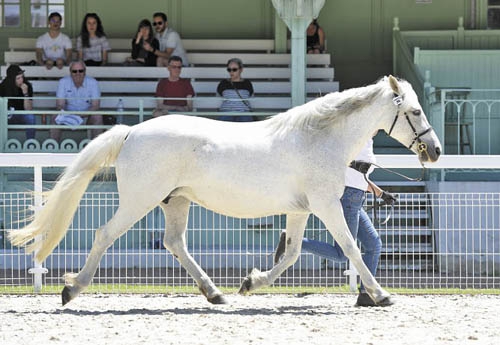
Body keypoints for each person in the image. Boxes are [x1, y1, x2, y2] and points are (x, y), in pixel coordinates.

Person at [273, 137, 397, 307]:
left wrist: (382, 194)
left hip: (356, 200)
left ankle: (366, 295)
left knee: (374, 244)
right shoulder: (354, 140)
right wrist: (351, 163)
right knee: (341, 254)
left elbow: (360, 179)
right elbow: (337, 164)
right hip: (348, 199)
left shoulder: (367, 141)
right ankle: (294, 241)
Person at [50, 61, 103, 142]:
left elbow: (95, 106)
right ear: (70, 72)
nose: (78, 73)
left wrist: (80, 115)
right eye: (74, 71)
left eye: (80, 71)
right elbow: (60, 105)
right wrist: (70, 115)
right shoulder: (63, 82)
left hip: (86, 117)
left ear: (85, 72)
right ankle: (53, 148)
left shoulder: (93, 82)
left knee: (97, 116)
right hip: (68, 116)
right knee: (55, 116)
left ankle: (96, 148)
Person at [0, 65, 36, 140]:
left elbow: (29, 109)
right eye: (18, 78)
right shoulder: (3, 86)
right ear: (11, 79)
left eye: (22, 77)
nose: (21, 80)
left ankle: (30, 144)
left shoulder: (27, 86)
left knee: (30, 117)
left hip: (19, 115)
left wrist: (25, 93)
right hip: (4, 116)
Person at [216, 58, 254, 122]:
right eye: (229, 69)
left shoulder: (247, 83)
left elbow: (251, 97)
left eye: (234, 69)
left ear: (241, 70)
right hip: (226, 112)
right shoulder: (223, 83)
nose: (231, 72)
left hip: (244, 113)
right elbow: (218, 98)